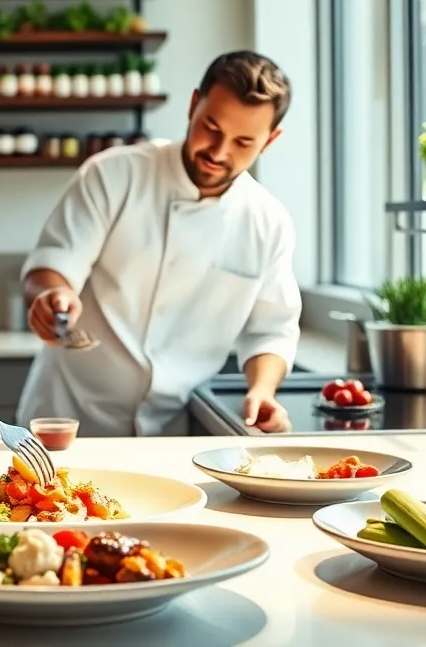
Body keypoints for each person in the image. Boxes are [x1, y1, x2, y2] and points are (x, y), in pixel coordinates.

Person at [18, 50, 301, 437]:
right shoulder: (113, 174)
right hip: (69, 419)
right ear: (193, 105)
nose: (219, 152)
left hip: (171, 432)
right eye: (212, 129)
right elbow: (54, 266)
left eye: (243, 142)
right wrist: (52, 297)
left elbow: (271, 329)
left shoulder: (268, 221)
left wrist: (262, 391)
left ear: (270, 140)